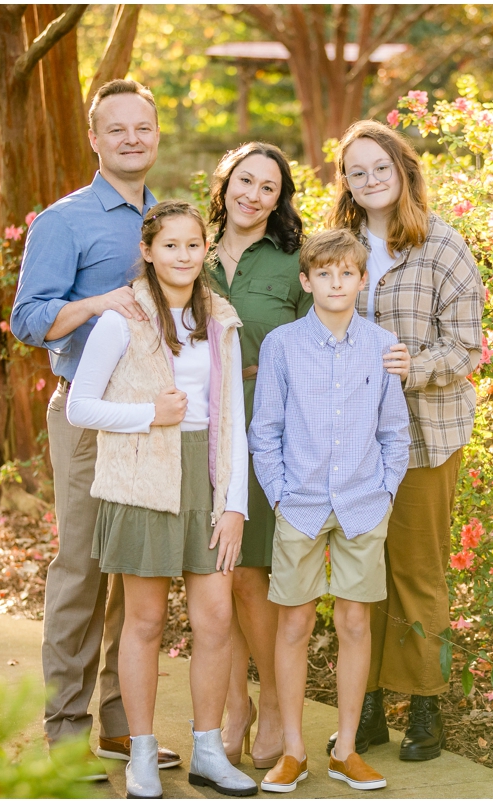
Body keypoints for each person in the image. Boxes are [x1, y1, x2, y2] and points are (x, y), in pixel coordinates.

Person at [10, 78, 180, 780]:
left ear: (156, 134)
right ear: (94, 137)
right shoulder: (66, 220)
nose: (132, 138)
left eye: (143, 126)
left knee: (133, 572)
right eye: (118, 129)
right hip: (85, 414)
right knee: (81, 569)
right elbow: (27, 321)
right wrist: (97, 303)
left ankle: (119, 722)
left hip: (153, 422)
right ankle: (64, 732)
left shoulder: (165, 218)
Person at [65, 200, 258, 798]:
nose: (182, 255)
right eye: (169, 245)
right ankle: (142, 753)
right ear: (147, 251)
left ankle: (207, 749)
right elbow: (79, 406)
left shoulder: (220, 318)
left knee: (216, 620)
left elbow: (232, 421)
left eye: (193, 245)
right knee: (144, 621)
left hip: (206, 477)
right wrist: (150, 414)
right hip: (141, 480)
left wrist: (234, 505)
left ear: (206, 252)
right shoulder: (123, 319)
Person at [324, 120, 484, 762]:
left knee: (418, 573)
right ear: (347, 182)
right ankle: (363, 710)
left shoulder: (443, 247)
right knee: (359, 574)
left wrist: (410, 365)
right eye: (356, 172)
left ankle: (425, 708)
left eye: (379, 169)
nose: (369, 181)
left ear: (403, 171)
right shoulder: (339, 250)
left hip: (426, 438)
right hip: (353, 444)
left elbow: (466, 346)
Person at [249, 229, 410, 793]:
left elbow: (395, 432)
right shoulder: (283, 346)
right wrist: (279, 494)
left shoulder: (381, 345)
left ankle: (345, 749)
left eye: (347, 273)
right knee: (293, 622)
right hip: (301, 504)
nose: (336, 283)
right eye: (325, 273)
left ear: (362, 280)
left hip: (364, 505)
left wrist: (386, 491)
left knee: (355, 621)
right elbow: (264, 431)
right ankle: (293, 752)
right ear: (306, 280)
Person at [205, 143, 311, 770]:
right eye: (244, 180)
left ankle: (273, 703)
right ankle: (235, 704)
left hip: (268, 425)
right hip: (200, 428)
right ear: (225, 184)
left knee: (253, 577)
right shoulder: (193, 247)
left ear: (280, 198)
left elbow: (317, 339)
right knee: (216, 578)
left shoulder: (295, 260)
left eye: (268, 187)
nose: (253, 194)